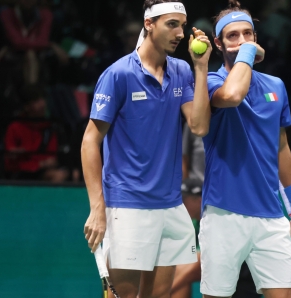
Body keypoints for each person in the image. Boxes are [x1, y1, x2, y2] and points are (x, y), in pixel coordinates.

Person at [81, 1, 212, 298]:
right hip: (127, 205)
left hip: (169, 205)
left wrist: (201, 68)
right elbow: (90, 141)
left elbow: (200, 126)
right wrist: (97, 208)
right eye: (171, 24)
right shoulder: (118, 75)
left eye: (183, 25)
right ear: (149, 24)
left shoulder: (180, 71)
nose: (180, 33)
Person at [199, 1, 291, 298]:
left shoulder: (276, 85)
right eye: (233, 35)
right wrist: (248, 53)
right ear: (218, 43)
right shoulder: (210, 83)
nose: (242, 41)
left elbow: (281, 147)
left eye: (248, 34)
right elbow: (233, 95)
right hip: (223, 213)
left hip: (271, 215)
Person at [4, 84, 69, 182]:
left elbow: (52, 157)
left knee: (64, 174)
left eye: (42, 99)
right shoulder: (15, 127)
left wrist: (44, 163)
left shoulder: (49, 128)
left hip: (42, 172)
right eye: (36, 101)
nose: (42, 104)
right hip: (21, 173)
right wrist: (35, 163)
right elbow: (10, 158)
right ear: (26, 107)